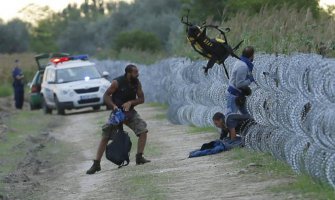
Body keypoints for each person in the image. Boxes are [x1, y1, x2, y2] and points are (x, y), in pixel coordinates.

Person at [86, 64, 150, 175]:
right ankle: (96, 164)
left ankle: (139, 157)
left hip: (129, 113)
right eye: (135, 72)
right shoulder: (117, 82)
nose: (138, 74)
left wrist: (131, 102)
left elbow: (141, 99)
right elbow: (106, 96)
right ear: (128, 73)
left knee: (143, 130)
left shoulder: (137, 83)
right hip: (117, 113)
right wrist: (113, 106)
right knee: (106, 136)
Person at [226, 46, 255, 115]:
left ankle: (250, 124)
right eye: (253, 54)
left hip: (238, 95)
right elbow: (239, 84)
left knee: (246, 116)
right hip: (234, 95)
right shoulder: (243, 66)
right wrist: (250, 80)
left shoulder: (241, 62)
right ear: (251, 55)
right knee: (230, 117)